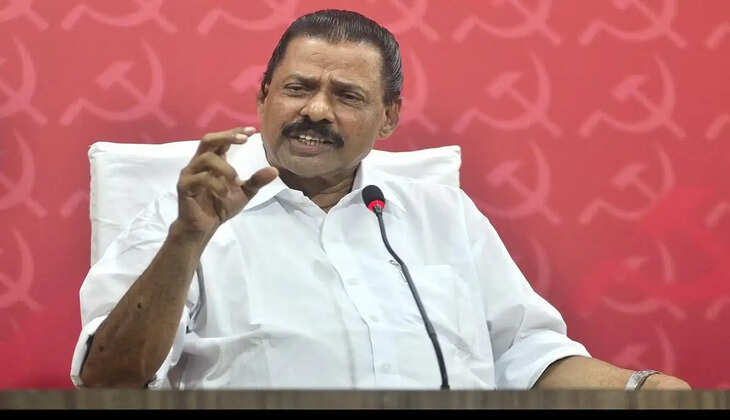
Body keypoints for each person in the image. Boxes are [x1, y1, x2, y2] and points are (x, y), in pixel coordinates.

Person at [71, 9, 690, 390]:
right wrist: (186, 241)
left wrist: (641, 390)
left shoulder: (443, 214)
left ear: (388, 117)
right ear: (263, 98)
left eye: (347, 95)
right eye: (298, 88)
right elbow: (108, 380)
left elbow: (526, 355)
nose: (316, 110)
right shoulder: (181, 220)